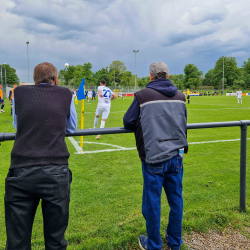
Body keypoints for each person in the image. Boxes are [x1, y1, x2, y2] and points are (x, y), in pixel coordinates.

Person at [4, 62, 77, 250]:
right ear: (56, 79)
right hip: (56, 169)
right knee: (55, 240)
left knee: (17, 241)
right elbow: (71, 127)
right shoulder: (65, 93)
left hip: (21, 169)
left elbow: (16, 125)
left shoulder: (19, 93)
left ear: (34, 80)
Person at [123, 62, 188, 250]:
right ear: (168, 76)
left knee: (152, 203)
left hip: (154, 157)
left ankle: (154, 245)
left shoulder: (142, 96)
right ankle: (175, 242)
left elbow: (128, 121)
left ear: (150, 77)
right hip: (177, 155)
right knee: (176, 200)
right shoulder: (181, 96)